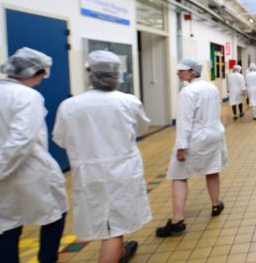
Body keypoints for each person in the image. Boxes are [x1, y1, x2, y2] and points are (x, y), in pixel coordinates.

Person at [53, 51, 151, 263]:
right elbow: (141, 128)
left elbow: (60, 139)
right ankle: (116, 251)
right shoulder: (128, 101)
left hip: (89, 174)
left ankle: (119, 251)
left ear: (89, 73)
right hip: (123, 171)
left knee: (107, 223)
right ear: (117, 74)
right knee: (114, 226)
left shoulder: (70, 105)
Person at [0, 48, 68, 263]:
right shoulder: (28, 96)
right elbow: (21, 139)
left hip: (6, 176)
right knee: (55, 214)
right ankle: (47, 258)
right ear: (35, 71)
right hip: (30, 171)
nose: (42, 80)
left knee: (6, 226)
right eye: (42, 75)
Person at [156, 58, 228, 237]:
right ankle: (215, 204)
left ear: (192, 72)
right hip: (213, 134)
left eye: (182, 70)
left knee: (179, 175)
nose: (178, 73)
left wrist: (181, 146)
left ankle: (177, 220)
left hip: (195, 137)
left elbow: (184, 121)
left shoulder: (187, 92)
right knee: (212, 169)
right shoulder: (211, 88)